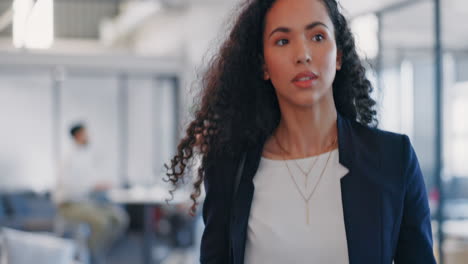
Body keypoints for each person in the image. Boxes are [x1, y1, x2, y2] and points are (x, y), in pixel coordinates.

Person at [165, 0, 436, 263]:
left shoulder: (392, 159)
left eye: (317, 36)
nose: (303, 54)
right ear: (263, 66)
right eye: (283, 41)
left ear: (338, 54)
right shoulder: (229, 167)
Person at [55, 123, 128, 264]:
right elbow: (69, 185)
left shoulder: (84, 156)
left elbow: (88, 180)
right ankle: (89, 256)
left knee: (119, 218)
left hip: (85, 202)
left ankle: (96, 251)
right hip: (69, 205)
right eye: (85, 133)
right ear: (77, 135)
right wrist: (92, 186)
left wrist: (98, 184)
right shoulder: (67, 157)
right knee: (102, 222)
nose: (88, 136)